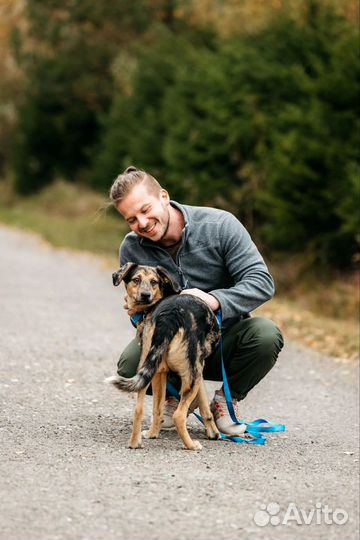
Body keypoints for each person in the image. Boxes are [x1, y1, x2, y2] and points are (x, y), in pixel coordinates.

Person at [109, 166, 284, 436]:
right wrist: (138, 310)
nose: (141, 223)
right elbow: (143, 317)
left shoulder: (220, 226)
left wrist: (213, 299)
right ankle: (177, 397)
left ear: (164, 197)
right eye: (131, 219)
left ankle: (225, 402)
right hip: (173, 344)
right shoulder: (132, 247)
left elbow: (261, 281)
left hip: (223, 340)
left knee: (266, 335)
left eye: (145, 210)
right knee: (131, 364)